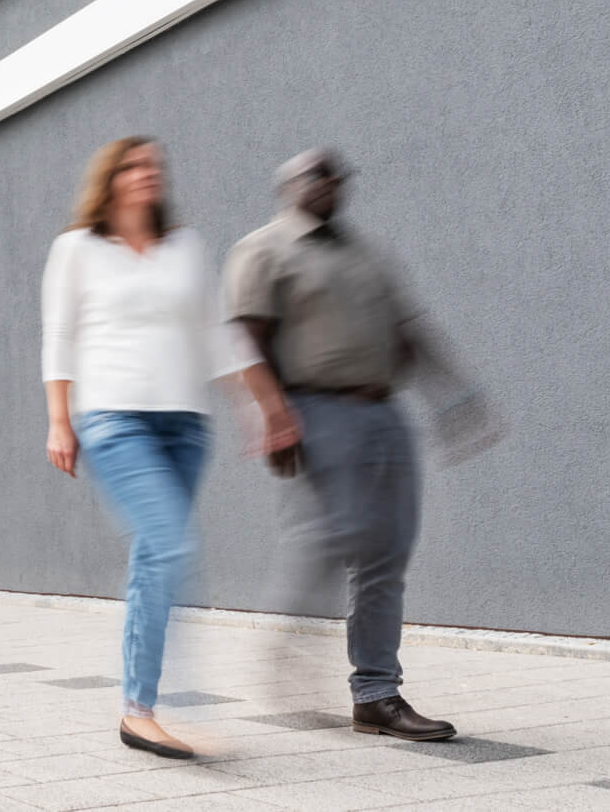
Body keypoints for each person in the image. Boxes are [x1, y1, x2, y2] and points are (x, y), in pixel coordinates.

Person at [43, 137, 298, 760]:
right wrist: (58, 421)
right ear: (109, 179)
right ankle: (145, 708)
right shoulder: (77, 249)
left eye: (154, 166)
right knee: (170, 543)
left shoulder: (184, 247)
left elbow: (217, 336)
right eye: (132, 166)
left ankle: (141, 705)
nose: (146, 175)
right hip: (112, 418)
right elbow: (60, 337)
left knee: (154, 557)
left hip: (185, 425)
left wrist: (265, 404)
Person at [223, 148, 455, 742]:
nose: (328, 183)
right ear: (290, 185)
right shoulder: (265, 248)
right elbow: (244, 340)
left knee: (389, 550)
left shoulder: (366, 252)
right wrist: (271, 414)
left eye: (335, 175)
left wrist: (451, 396)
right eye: (315, 174)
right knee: (335, 534)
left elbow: (409, 329)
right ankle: (289, 650)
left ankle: (376, 695)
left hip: (385, 413)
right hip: (317, 410)